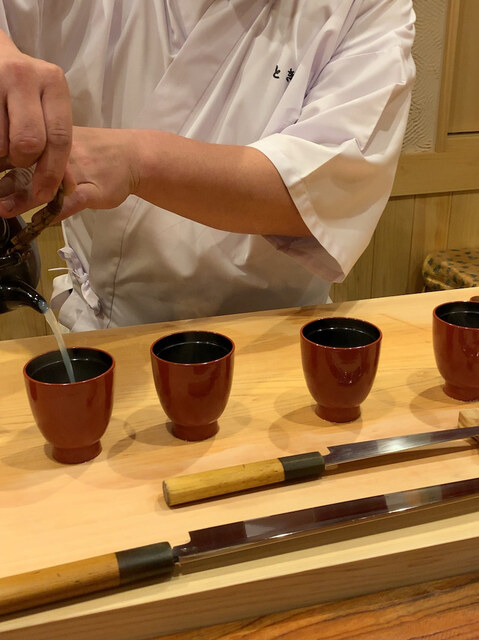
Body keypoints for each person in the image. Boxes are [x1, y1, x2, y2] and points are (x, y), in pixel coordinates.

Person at [0, 1, 415, 331]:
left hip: (276, 332)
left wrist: (137, 159)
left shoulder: (367, 7)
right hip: (106, 330)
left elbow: (327, 189)